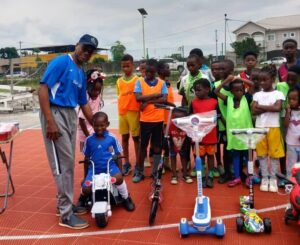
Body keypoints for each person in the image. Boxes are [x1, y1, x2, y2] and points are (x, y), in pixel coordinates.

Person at [39, 34, 98, 229]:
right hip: (55, 113)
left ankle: (63, 204)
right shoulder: (61, 62)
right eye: (84, 48)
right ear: (76, 45)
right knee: (62, 165)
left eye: (90, 51)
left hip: (70, 115)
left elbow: (83, 102)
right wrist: (50, 122)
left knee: (68, 163)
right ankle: (65, 214)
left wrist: (97, 126)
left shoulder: (80, 73)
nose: (86, 53)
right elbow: (43, 89)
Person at [76, 112, 135, 212]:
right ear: (92, 125)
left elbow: (118, 156)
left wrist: (120, 172)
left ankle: (126, 198)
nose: (99, 128)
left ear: (107, 124)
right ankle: (82, 197)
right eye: (96, 125)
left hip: (110, 167)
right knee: (86, 188)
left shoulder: (112, 138)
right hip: (94, 169)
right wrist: (85, 176)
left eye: (102, 125)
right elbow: (86, 159)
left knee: (119, 178)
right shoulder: (89, 140)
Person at [133, 59, 168, 183]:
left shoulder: (162, 83)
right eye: (147, 71)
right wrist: (155, 95)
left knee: (157, 147)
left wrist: (148, 101)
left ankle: (155, 172)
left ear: (156, 72)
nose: (148, 74)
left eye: (152, 72)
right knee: (143, 146)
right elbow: (138, 98)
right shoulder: (139, 82)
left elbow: (164, 99)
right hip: (145, 120)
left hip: (158, 120)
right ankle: (139, 171)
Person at [251, 65, 285, 192]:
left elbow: (277, 108)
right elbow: (254, 111)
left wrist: (261, 107)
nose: (262, 82)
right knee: (262, 154)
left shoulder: (278, 93)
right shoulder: (257, 94)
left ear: (272, 79)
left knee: (274, 155)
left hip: (274, 128)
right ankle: (265, 177)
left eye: (265, 80)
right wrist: (268, 107)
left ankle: (273, 178)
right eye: (260, 80)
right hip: (260, 127)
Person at [215, 77, 254, 187]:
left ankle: (249, 177)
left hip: (247, 135)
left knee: (248, 158)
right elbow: (216, 91)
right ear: (231, 91)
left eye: (241, 90)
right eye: (236, 90)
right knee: (235, 157)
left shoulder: (246, 97)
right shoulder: (228, 99)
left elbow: (252, 84)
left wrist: (239, 78)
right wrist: (226, 80)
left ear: (244, 90)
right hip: (233, 135)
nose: (239, 92)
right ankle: (237, 177)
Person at [190, 78, 218, 188]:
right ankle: (201, 176)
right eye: (195, 91)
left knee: (211, 156)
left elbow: (218, 117)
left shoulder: (214, 102)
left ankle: (210, 175)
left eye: (199, 90)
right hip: (198, 136)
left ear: (207, 89)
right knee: (200, 157)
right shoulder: (193, 102)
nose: (196, 92)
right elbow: (190, 117)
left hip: (211, 135)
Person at [77, 69, 104, 179]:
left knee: (97, 153)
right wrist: (88, 136)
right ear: (88, 87)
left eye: (98, 90)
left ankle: (96, 174)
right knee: (88, 156)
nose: (96, 93)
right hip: (85, 132)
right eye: (94, 90)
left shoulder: (97, 97)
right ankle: (86, 177)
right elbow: (81, 120)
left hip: (95, 129)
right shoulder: (85, 99)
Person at [116, 54, 140, 176]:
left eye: (128, 66)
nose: (125, 68)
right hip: (122, 113)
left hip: (134, 112)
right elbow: (119, 95)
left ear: (133, 65)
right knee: (124, 138)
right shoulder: (119, 81)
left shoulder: (138, 80)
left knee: (136, 138)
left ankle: (138, 164)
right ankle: (126, 163)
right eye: (123, 66)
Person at [214, 59, 234, 183]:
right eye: (219, 69)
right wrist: (221, 117)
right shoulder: (216, 85)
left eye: (223, 69)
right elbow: (214, 103)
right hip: (221, 122)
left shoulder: (236, 85)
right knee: (220, 147)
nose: (220, 71)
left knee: (230, 150)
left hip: (233, 123)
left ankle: (233, 171)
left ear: (231, 71)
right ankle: (224, 171)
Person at [158, 60, 175, 171]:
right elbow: (160, 100)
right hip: (160, 117)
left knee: (168, 141)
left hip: (169, 117)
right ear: (160, 71)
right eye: (167, 68)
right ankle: (160, 164)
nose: (169, 70)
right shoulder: (157, 83)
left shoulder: (167, 83)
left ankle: (167, 162)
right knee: (160, 142)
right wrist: (171, 104)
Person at [168, 108, 193, 184]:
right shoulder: (171, 124)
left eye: (180, 119)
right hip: (173, 143)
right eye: (175, 118)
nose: (178, 121)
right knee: (173, 157)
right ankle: (174, 175)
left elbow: (190, 135)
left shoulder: (187, 126)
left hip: (184, 143)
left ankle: (185, 174)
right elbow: (168, 135)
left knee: (184, 157)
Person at [284, 88, 300, 179]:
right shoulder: (289, 111)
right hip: (291, 142)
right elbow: (286, 125)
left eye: (294, 99)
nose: (291, 101)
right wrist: (288, 112)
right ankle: (290, 181)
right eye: (289, 99)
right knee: (291, 163)